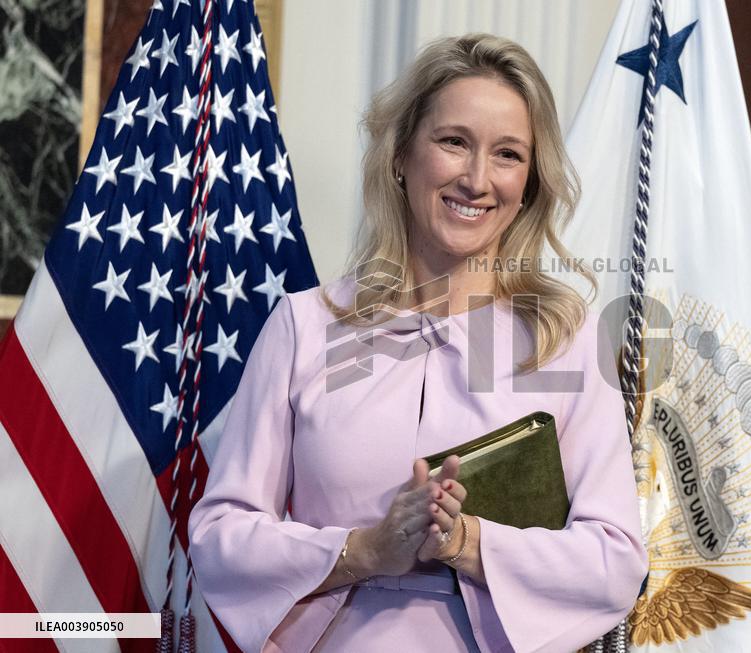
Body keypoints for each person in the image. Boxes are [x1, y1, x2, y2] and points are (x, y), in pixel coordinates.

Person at [188, 33, 648, 652]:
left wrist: (468, 544)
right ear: (402, 155)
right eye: (454, 142)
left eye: (508, 154)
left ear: (531, 182)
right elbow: (220, 537)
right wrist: (366, 550)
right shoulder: (305, 325)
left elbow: (616, 562)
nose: (478, 179)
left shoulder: (566, 339)